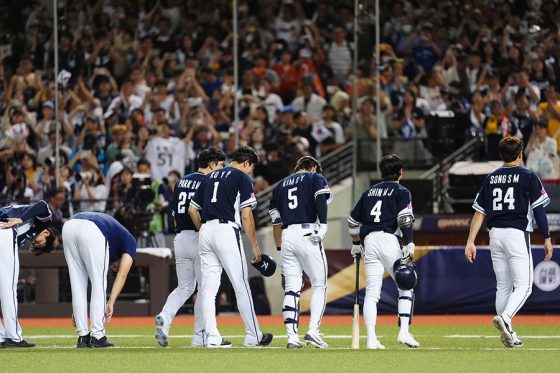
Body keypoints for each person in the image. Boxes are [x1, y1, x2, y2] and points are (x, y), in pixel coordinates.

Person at [465, 136, 554, 348]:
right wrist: (548, 237)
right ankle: (505, 319)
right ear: (521, 154)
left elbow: (479, 213)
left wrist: (470, 241)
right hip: (516, 233)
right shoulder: (528, 176)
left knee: (503, 286)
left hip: (495, 235)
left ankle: (509, 333)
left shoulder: (491, 178)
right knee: (524, 286)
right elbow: (539, 210)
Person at [188, 147, 273, 348]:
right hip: (226, 230)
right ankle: (254, 335)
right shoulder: (241, 178)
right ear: (246, 164)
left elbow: (192, 210)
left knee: (208, 289)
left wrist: (205, 231)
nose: (249, 172)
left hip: (206, 231)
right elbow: (246, 214)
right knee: (241, 284)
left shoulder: (209, 176)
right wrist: (255, 247)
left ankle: (211, 337)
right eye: (250, 168)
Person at [154, 147, 226, 347]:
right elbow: (199, 210)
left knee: (184, 286)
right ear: (211, 164)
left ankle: (165, 318)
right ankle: (199, 336)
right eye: (220, 165)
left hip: (181, 238)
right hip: (198, 235)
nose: (221, 170)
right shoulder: (209, 181)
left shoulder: (181, 181)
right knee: (205, 289)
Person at [347, 154, 419, 349]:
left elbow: (352, 222)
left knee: (372, 293)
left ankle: (371, 338)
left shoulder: (368, 192)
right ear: (400, 172)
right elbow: (405, 219)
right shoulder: (402, 191)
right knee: (405, 284)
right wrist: (409, 242)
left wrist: (356, 243)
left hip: (369, 241)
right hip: (389, 240)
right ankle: (403, 332)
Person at [269, 156, 332, 349]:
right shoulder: (315, 178)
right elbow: (320, 198)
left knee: (292, 288)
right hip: (308, 231)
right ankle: (313, 331)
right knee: (319, 284)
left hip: (287, 236)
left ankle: (291, 337)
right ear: (312, 167)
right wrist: (324, 226)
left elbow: (276, 221)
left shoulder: (279, 186)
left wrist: (280, 249)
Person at [62, 212, 137, 348]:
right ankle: (97, 335)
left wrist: (80, 311)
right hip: (92, 228)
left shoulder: (115, 244)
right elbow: (122, 275)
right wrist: (110, 303)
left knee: (77, 284)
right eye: (115, 268)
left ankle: (83, 336)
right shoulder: (130, 242)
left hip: (69, 225)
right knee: (99, 283)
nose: (113, 268)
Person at [0, 200, 59, 348]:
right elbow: (43, 205)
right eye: (41, 244)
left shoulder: (25, 235)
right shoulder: (43, 222)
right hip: (4, 231)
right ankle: (13, 337)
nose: (35, 244)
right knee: (8, 289)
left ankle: (1, 337)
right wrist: (20, 219)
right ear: (46, 232)